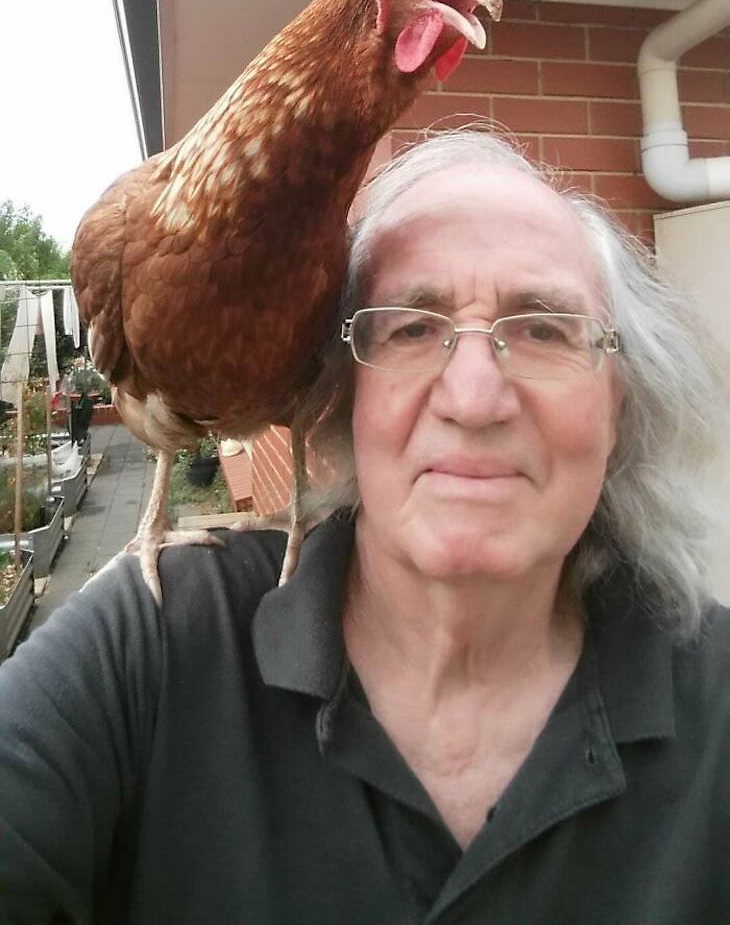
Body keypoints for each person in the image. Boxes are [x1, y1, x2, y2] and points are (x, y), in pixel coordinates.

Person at [1, 127, 729, 924]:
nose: (475, 398)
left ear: (619, 400)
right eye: (413, 328)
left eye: (543, 329)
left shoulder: (716, 701)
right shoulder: (156, 645)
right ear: (343, 396)